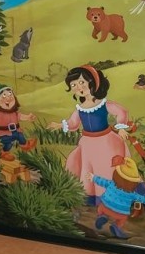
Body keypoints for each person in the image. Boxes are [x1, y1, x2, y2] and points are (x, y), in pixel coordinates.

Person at [48, 64, 130, 204]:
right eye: (73, 85)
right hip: (87, 143)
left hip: (106, 141)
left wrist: (121, 128)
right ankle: (90, 195)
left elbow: (121, 112)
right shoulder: (80, 108)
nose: (78, 87)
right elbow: (73, 123)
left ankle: (109, 197)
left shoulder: (103, 104)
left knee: (104, 168)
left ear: (92, 82)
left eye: (81, 82)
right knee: (88, 167)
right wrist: (60, 125)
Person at [87, 156, 145, 239]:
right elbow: (141, 198)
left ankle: (102, 216)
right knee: (123, 219)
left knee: (101, 207)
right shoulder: (132, 194)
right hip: (120, 213)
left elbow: (102, 181)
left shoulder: (111, 184)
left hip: (105, 207)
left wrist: (93, 177)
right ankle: (117, 226)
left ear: (116, 175)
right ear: (134, 183)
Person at [0, 82, 36, 161]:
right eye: (4, 95)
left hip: (16, 131)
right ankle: (4, 153)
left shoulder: (13, 111)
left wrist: (28, 117)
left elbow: (19, 116)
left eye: (10, 94)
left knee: (20, 136)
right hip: (2, 134)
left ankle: (26, 145)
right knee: (8, 144)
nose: (8, 98)